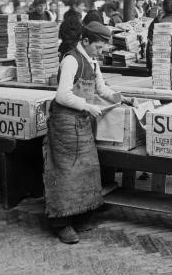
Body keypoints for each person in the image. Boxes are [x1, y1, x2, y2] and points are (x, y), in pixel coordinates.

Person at [44, 22, 125, 244]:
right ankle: (61, 224)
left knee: (87, 169)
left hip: (81, 120)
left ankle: (80, 216)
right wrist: (88, 106)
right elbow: (62, 96)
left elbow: (101, 89)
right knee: (66, 172)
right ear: (85, 41)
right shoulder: (71, 60)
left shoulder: (92, 61)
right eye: (98, 47)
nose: (100, 52)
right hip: (64, 122)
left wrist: (120, 98)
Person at [146, 0, 172, 71]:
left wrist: (150, 64)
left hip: (160, 62)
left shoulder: (158, 22)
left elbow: (150, 42)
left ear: (164, 8)